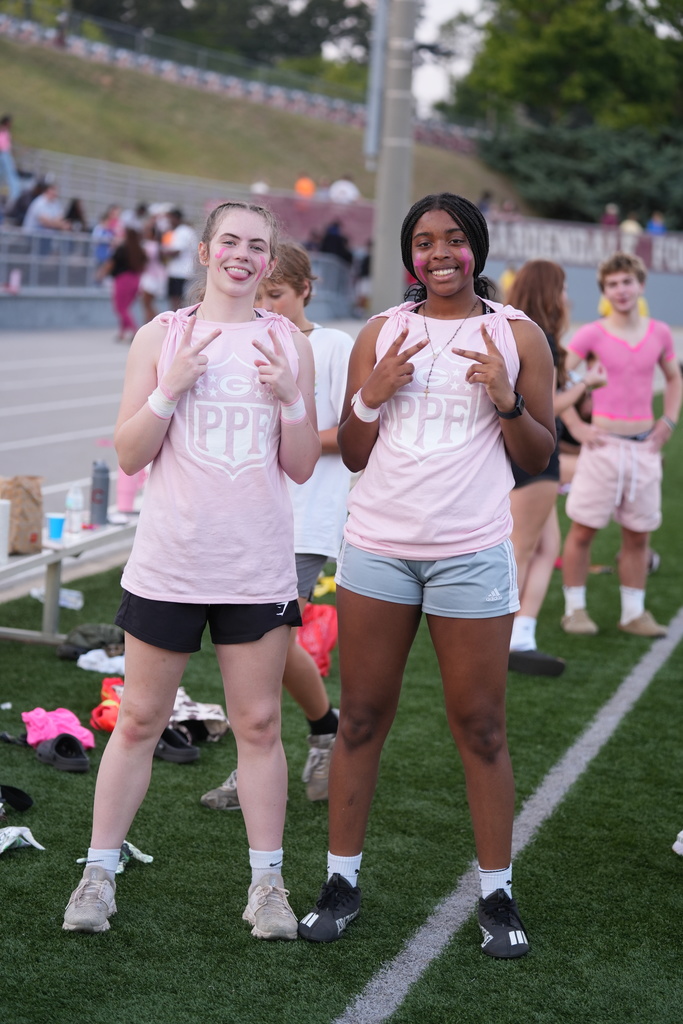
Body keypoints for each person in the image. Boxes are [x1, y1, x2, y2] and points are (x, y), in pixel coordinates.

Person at [297, 192, 556, 958]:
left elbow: (539, 456)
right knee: (363, 718)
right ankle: (341, 879)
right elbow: (351, 450)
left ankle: (496, 893)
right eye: (423, 242)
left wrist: (507, 401)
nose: (438, 253)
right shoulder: (384, 330)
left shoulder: (517, 335)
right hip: (376, 550)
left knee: (479, 726)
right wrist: (371, 396)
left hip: (471, 551)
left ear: (474, 247)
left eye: (452, 240)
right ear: (410, 255)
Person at [62, 200, 321, 939]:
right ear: (205, 252)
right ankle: (97, 874)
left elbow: (300, 466)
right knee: (139, 718)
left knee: (260, 723)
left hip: (254, 567)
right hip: (171, 564)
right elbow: (130, 453)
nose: (242, 255)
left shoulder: (284, 342)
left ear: (270, 263)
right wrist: (168, 386)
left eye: (257, 247)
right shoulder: (161, 334)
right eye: (229, 242)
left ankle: (266, 886)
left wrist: (292, 399)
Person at [201, 241, 353, 810]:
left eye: (277, 294)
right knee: (263, 641)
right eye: (260, 293)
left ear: (305, 290)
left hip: (304, 520)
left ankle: (255, 769)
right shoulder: (242, 342)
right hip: (244, 517)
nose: (266, 304)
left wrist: (288, 432)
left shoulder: (331, 345)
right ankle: (323, 729)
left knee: (259, 642)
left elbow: (351, 433)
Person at [560, 252, 682, 637]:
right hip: (602, 448)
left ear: (640, 285)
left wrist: (668, 420)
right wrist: (575, 424)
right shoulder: (591, 333)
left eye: (627, 282)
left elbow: (674, 378)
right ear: (604, 291)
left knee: (638, 535)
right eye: (612, 284)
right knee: (582, 531)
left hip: (645, 449)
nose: (621, 290)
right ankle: (574, 610)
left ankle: (633, 613)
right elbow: (557, 378)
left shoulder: (660, 332)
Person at [506, 261, 607, 676]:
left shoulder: (515, 330)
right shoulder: (539, 336)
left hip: (523, 453)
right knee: (521, 549)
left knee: (546, 547)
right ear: (551, 293)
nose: (568, 297)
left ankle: (522, 637)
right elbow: (543, 406)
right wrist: (586, 385)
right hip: (534, 457)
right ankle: (501, 635)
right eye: (563, 288)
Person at [97, 227, 147, 343]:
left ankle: (135, 332)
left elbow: (111, 263)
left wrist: (101, 274)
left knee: (120, 308)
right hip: (136, 279)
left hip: (123, 279)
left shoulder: (122, 249)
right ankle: (122, 333)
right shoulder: (139, 250)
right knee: (125, 308)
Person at [162, 208, 198, 311]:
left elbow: (176, 252)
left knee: (177, 301)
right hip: (179, 271)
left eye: (169, 218)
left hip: (180, 272)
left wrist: (161, 251)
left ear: (176, 218)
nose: (168, 221)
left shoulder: (182, 231)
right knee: (176, 299)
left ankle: (178, 322)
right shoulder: (182, 231)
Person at [138, 217, 168, 324]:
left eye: (148, 231)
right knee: (148, 303)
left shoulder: (150, 246)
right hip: (154, 276)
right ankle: (150, 323)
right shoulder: (156, 246)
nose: (145, 232)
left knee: (147, 303)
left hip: (151, 277)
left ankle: (156, 324)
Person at [0, 114, 22, 208]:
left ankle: (14, 196)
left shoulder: (6, 131)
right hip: (3, 154)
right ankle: (15, 196)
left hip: (6, 154)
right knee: (11, 176)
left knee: (8, 176)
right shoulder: (2, 130)